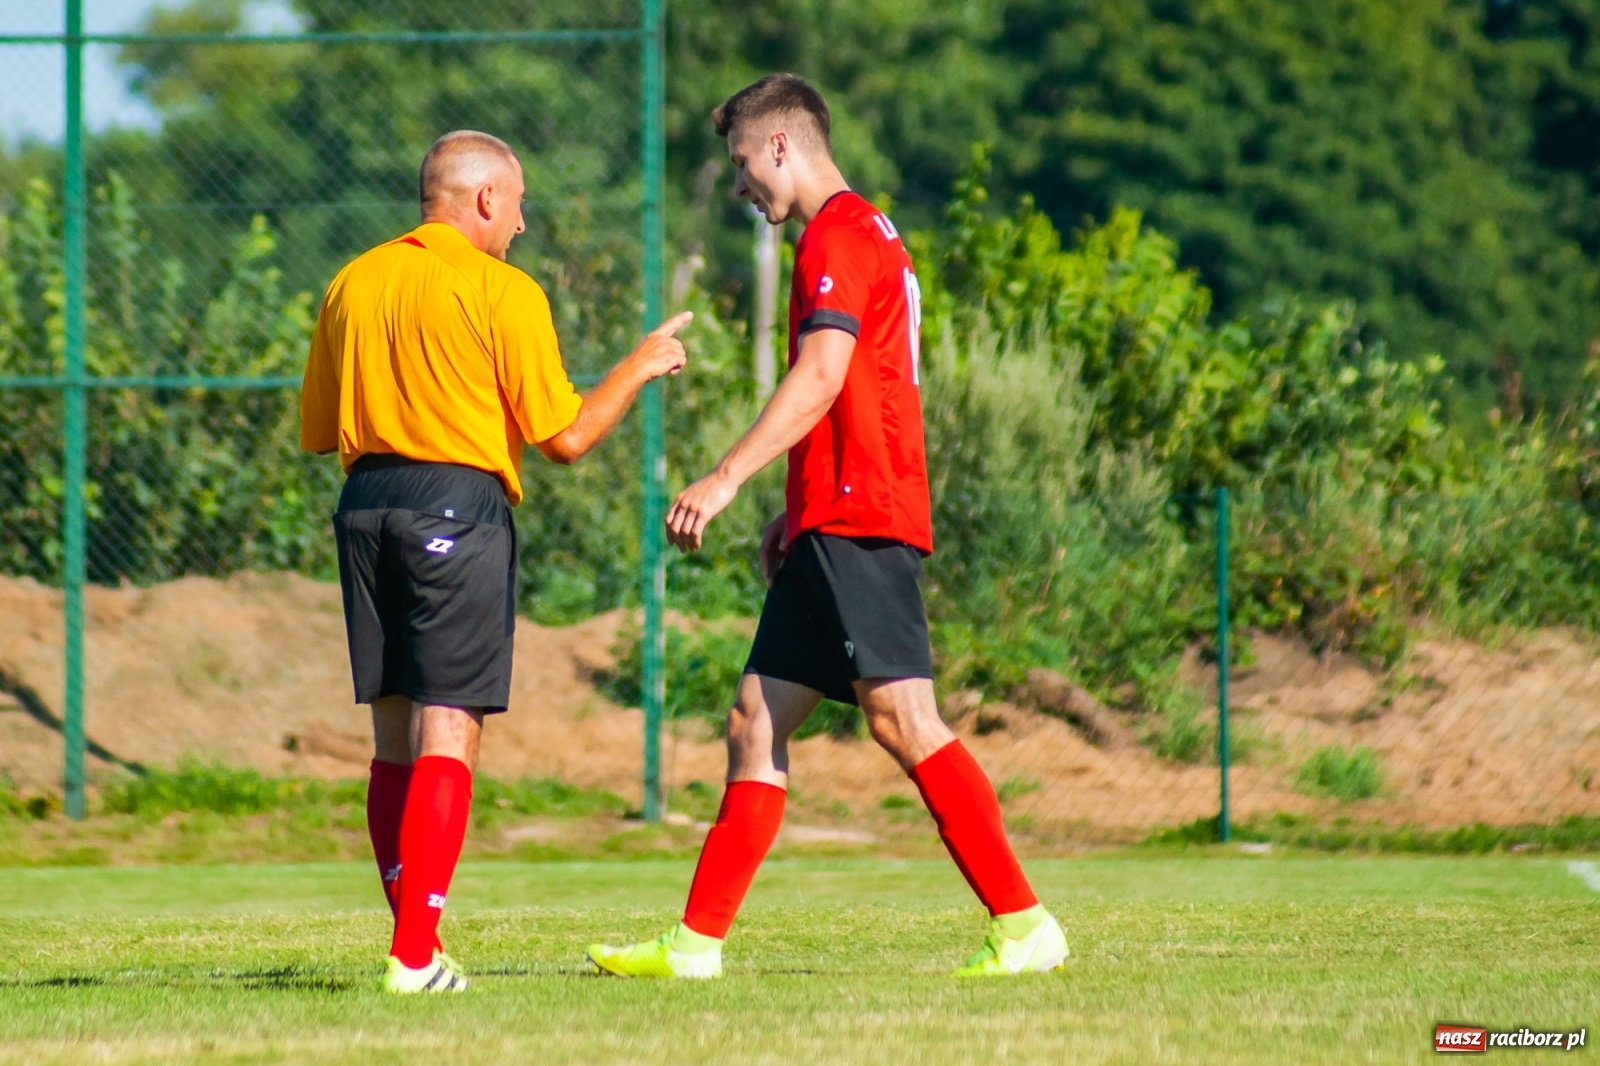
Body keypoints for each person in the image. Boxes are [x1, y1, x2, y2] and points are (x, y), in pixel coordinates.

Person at [587, 75, 1066, 980]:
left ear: (781, 146)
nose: (739, 186)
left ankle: (1023, 923)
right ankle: (695, 947)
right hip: (831, 513)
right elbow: (858, 390)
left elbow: (823, 374)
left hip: (861, 515)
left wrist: (727, 478)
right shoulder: (870, 230)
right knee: (754, 721)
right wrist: (795, 507)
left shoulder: (836, 235)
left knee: (904, 718)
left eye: (742, 164)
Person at [300, 130, 691, 994]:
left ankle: (418, 943)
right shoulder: (502, 289)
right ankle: (413, 957)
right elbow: (566, 438)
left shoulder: (351, 281)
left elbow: (321, 429)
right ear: (484, 199)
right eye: (516, 205)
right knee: (449, 730)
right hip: (455, 504)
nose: (520, 224)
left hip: (363, 506)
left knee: (393, 739)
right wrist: (641, 364)